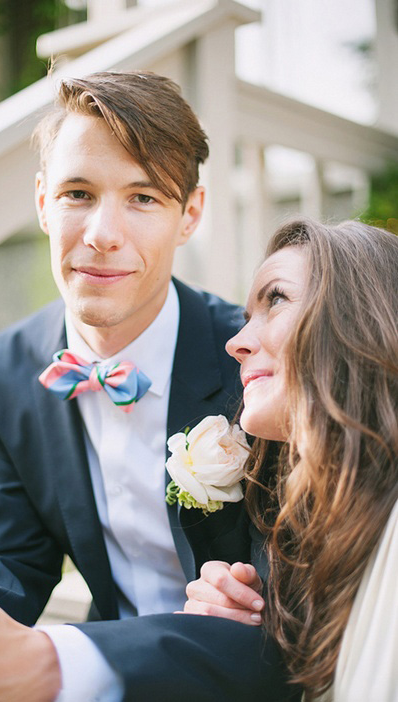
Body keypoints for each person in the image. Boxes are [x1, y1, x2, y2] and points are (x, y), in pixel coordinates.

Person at [0, 71, 297, 701]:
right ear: (44, 202)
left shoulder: (255, 362)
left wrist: (52, 660)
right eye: (78, 193)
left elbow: (288, 615)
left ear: (190, 215)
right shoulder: (11, 366)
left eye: (144, 197)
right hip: (101, 674)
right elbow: (12, 555)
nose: (102, 233)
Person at [184, 218, 398, 701]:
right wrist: (238, 626)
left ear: (361, 316)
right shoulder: (304, 534)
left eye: (275, 299)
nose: (234, 343)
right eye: (244, 317)